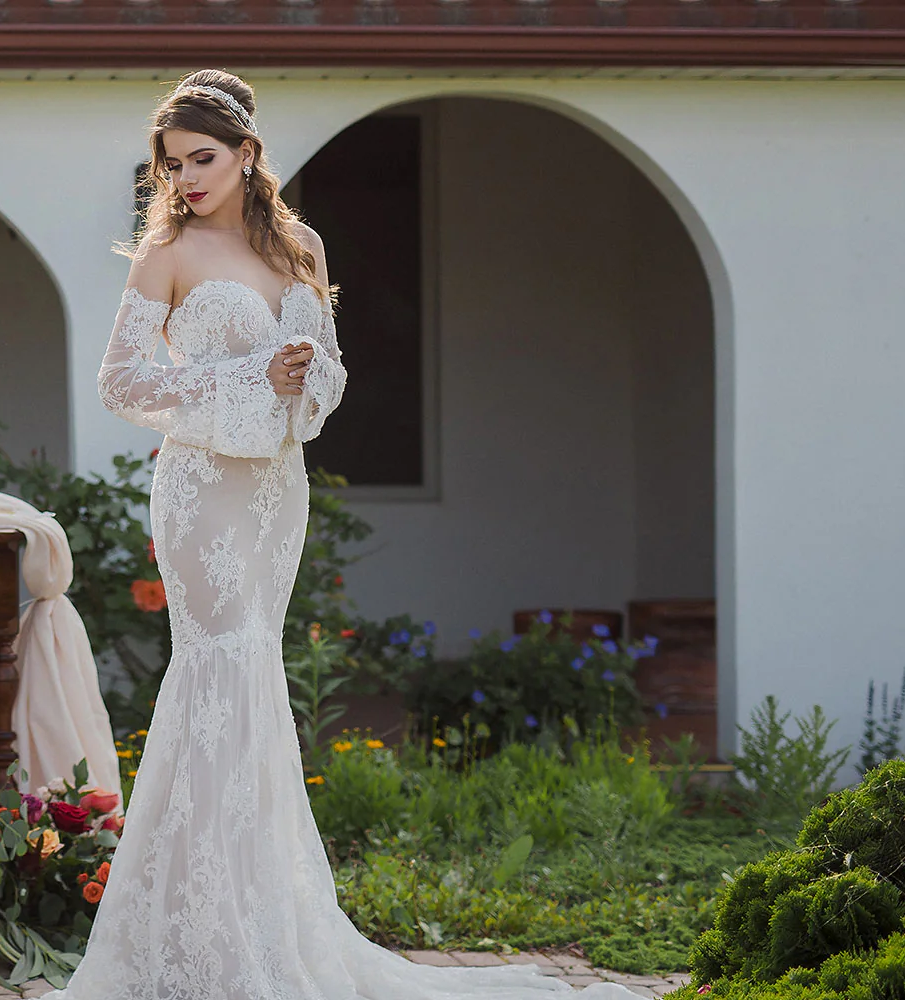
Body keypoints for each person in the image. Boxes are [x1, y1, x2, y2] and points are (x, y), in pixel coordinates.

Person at [45, 70, 637, 999]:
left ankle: (262, 917)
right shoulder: (164, 251)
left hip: (275, 489)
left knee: (256, 672)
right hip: (201, 486)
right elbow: (123, 385)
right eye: (173, 163)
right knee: (215, 666)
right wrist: (247, 383)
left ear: (247, 154)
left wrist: (298, 373)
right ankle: (185, 935)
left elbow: (327, 376)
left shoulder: (301, 245)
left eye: (204, 158)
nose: (188, 178)